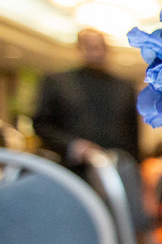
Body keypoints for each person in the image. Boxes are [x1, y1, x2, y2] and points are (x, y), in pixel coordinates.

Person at [32, 29, 140, 168]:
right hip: (71, 169)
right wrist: (72, 145)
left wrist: (135, 165)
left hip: (116, 167)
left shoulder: (124, 87)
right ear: (80, 48)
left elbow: (132, 133)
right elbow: (42, 125)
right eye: (91, 47)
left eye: (101, 47)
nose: (97, 52)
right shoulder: (57, 83)